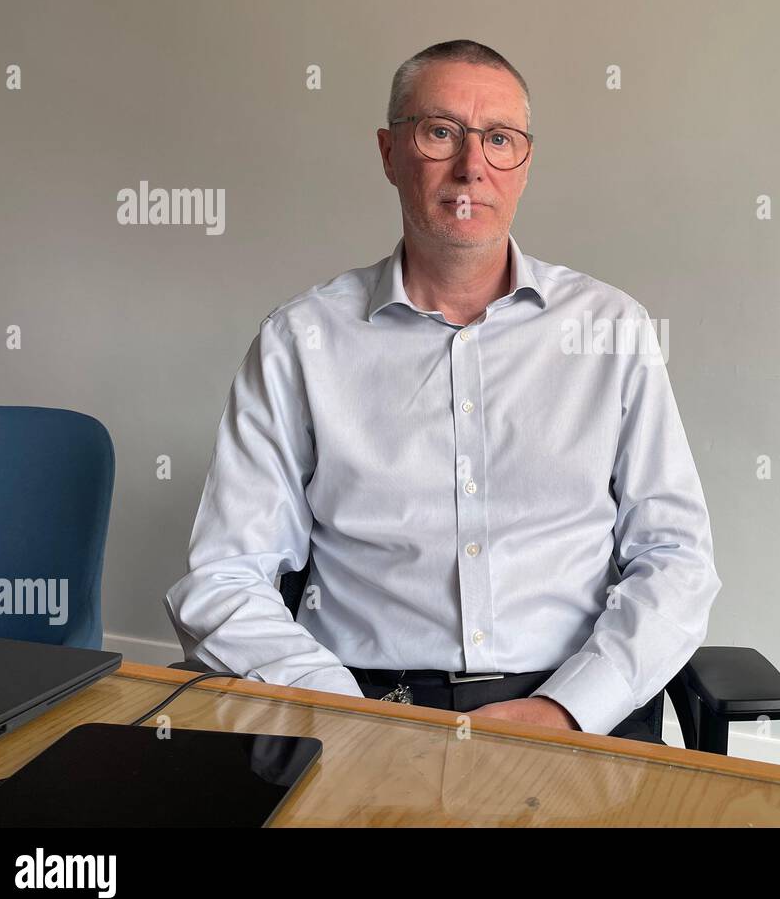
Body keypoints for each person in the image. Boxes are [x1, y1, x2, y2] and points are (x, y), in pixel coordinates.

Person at [164, 39, 720, 745]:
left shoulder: (613, 329)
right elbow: (223, 574)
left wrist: (568, 707)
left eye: (499, 139)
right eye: (440, 133)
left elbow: (676, 558)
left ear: (525, 165)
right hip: (361, 705)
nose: (471, 166)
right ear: (389, 152)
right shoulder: (299, 341)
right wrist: (343, 712)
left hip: (576, 711)